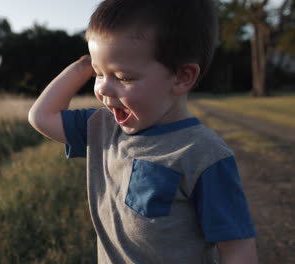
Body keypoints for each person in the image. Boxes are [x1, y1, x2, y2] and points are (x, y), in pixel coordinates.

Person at [28, 0, 258, 263]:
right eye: (98, 74)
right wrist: (84, 65)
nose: (102, 89)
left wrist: (100, 65)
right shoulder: (103, 128)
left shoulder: (203, 154)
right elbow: (41, 117)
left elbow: (237, 249)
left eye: (123, 77)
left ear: (182, 77)